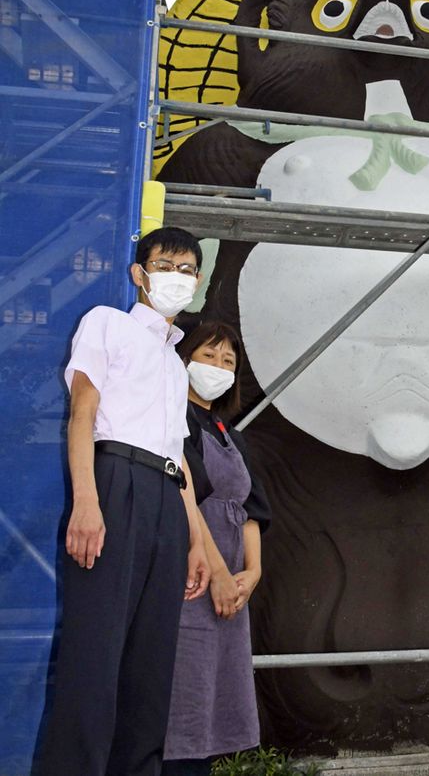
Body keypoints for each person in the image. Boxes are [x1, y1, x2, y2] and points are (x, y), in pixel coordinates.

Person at [37, 226, 211, 776]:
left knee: (151, 665)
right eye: (166, 266)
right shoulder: (105, 323)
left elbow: (177, 459)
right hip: (115, 481)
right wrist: (87, 503)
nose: (176, 279)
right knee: (95, 656)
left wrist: (195, 543)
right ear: (139, 273)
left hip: (165, 498)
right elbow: (82, 414)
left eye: (188, 271)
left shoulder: (175, 364)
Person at [163, 321, 271, 776]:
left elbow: (250, 508)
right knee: (183, 693)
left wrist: (253, 572)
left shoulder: (229, 430)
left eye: (228, 361)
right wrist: (219, 574)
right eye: (209, 355)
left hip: (231, 590)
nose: (218, 367)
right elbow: (185, 494)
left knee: (215, 698)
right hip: (193, 577)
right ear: (184, 358)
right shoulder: (171, 417)